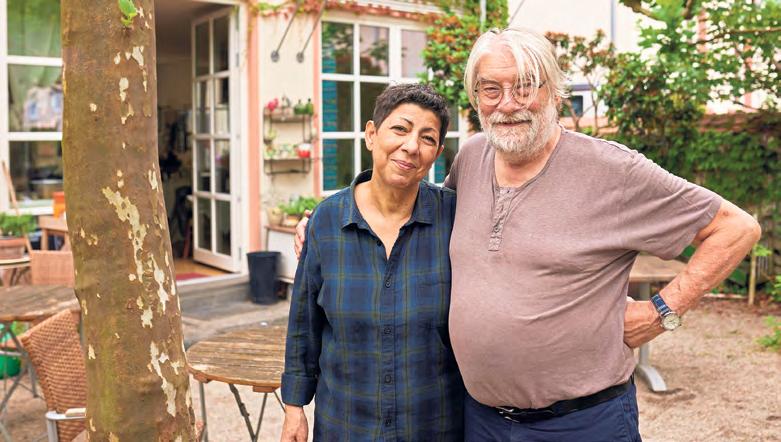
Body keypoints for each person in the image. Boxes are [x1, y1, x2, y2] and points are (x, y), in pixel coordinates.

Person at [296, 27, 761, 441]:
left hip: (581, 423)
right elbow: (414, 205)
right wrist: (331, 218)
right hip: (480, 420)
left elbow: (735, 228)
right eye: (491, 89)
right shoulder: (472, 157)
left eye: (524, 86)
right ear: (476, 99)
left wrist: (663, 311)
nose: (507, 104)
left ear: (554, 92)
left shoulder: (613, 171)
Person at [280, 83, 465, 442]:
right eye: (400, 129)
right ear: (371, 134)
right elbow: (304, 324)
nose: (411, 146)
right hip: (347, 424)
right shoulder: (326, 222)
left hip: (434, 424)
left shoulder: (456, 218)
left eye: (427, 138)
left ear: (438, 153)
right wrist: (294, 408)